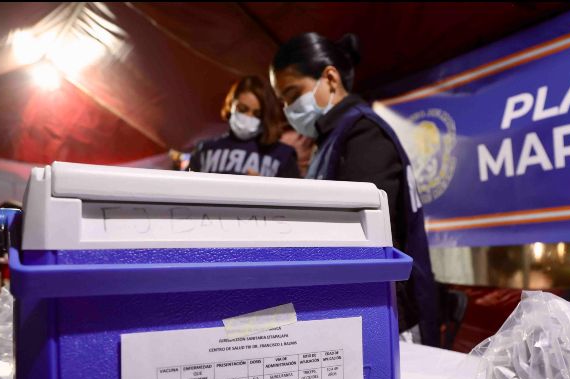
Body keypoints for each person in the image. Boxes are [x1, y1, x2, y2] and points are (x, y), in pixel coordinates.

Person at [270, 33, 440, 346]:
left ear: (330, 79)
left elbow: (365, 242)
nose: (288, 108)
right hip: (361, 309)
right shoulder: (331, 139)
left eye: (293, 94)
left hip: (388, 315)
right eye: (282, 101)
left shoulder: (362, 134)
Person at [179, 75, 300, 178]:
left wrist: (265, 190)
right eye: (242, 109)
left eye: (257, 114)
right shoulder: (205, 149)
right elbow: (183, 188)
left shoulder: (283, 155)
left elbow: (295, 195)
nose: (248, 117)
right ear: (231, 104)